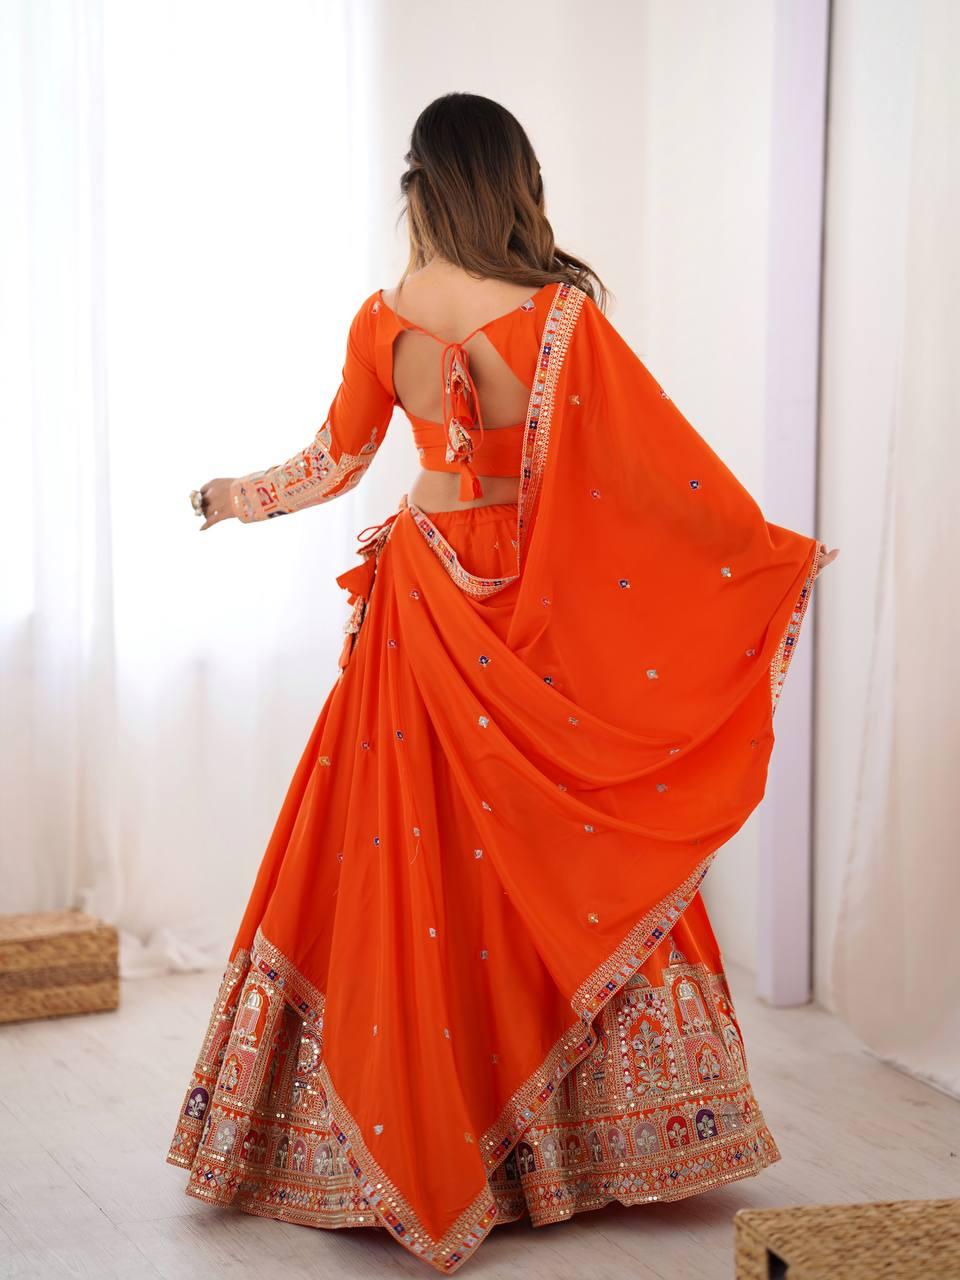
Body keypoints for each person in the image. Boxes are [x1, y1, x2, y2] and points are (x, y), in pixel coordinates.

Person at [169, 92, 838, 1274]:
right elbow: (654, 477)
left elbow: (335, 460)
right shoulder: (561, 317)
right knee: (554, 847)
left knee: (407, 858)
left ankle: (414, 1123)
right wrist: (758, 557)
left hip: (421, 600)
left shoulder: (384, 319)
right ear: (512, 183)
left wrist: (237, 494)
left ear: (422, 186)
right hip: (526, 611)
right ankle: (575, 1143)